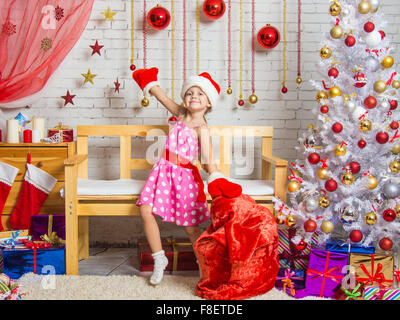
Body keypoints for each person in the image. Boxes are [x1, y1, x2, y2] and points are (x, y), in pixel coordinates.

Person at [132, 68, 242, 285]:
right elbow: (161, 96)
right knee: (146, 210)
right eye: (190, 92)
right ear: (184, 97)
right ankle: (159, 258)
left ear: (208, 102)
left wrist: (218, 179)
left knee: (190, 227)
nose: (194, 96)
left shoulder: (203, 128)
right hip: (162, 173)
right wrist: (148, 80)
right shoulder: (180, 114)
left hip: (183, 178)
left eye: (200, 94)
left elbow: (210, 161)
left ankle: (204, 263)